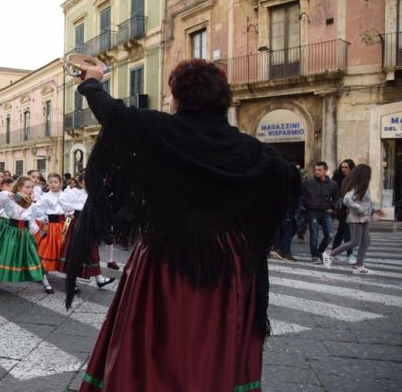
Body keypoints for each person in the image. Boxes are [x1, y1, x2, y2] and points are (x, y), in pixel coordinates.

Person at [68, 59, 299, 391]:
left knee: (159, 341)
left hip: (167, 257)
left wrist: (92, 81)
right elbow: (287, 180)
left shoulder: (164, 131)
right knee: (215, 344)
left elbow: (115, 116)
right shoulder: (251, 150)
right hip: (229, 264)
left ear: (180, 98)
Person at [0, 176, 44, 296]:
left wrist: (34, 229)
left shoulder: (32, 204)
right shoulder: (10, 199)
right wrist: (11, 195)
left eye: (32, 187)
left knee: (31, 256)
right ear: (19, 187)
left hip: (25, 233)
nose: (30, 189)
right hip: (11, 231)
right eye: (27, 187)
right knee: (4, 255)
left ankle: (44, 281)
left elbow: (33, 220)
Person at [324, 164, 385, 273]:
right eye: (368, 174)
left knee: (366, 241)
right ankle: (329, 255)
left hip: (364, 217)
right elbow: (346, 200)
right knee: (355, 241)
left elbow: (366, 202)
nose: (369, 176)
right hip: (356, 218)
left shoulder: (363, 187)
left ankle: (358, 266)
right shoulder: (355, 186)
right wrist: (360, 208)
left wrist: (375, 209)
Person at [303, 161, 339, 264]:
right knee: (314, 235)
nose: (317, 172)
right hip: (312, 212)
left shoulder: (333, 184)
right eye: (315, 170)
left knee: (329, 235)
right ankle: (314, 256)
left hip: (326, 212)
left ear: (325, 170)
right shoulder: (308, 182)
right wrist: (305, 205)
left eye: (319, 170)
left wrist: (333, 208)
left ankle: (319, 252)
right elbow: (300, 194)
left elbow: (336, 198)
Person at [331, 159, 356, 264]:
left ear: (351, 168)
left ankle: (333, 253)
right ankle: (350, 255)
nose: (344, 169)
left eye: (346, 167)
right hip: (341, 209)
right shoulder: (337, 178)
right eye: (342, 167)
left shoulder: (354, 179)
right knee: (347, 232)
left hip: (351, 208)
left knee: (341, 232)